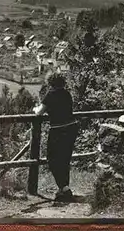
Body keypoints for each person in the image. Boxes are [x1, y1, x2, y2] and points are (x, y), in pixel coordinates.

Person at [33, 72, 79, 202]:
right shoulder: (66, 93)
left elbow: (39, 112)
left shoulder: (51, 94)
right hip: (71, 128)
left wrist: (34, 109)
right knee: (65, 159)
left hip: (58, 130)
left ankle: (64, 189)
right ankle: (63, 189)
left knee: (52, 159)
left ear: (50, 82)